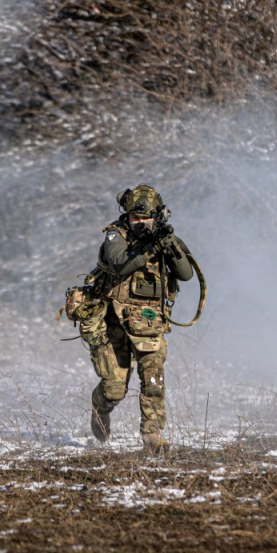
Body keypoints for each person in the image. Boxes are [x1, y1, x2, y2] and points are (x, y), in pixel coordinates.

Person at [79, 184, 194, 455]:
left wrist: (170, 246)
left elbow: (186, 273)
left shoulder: (162, 238)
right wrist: (149, 249)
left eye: (146, 219)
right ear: (127, 217)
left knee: (153, 378)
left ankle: (152, 436)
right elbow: (120, 263)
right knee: (114, 389)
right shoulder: (114, 237)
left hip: (147, 322)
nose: (140, 224)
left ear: (156, 217)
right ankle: (100, 408)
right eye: (135, 219)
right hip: (112, 322)